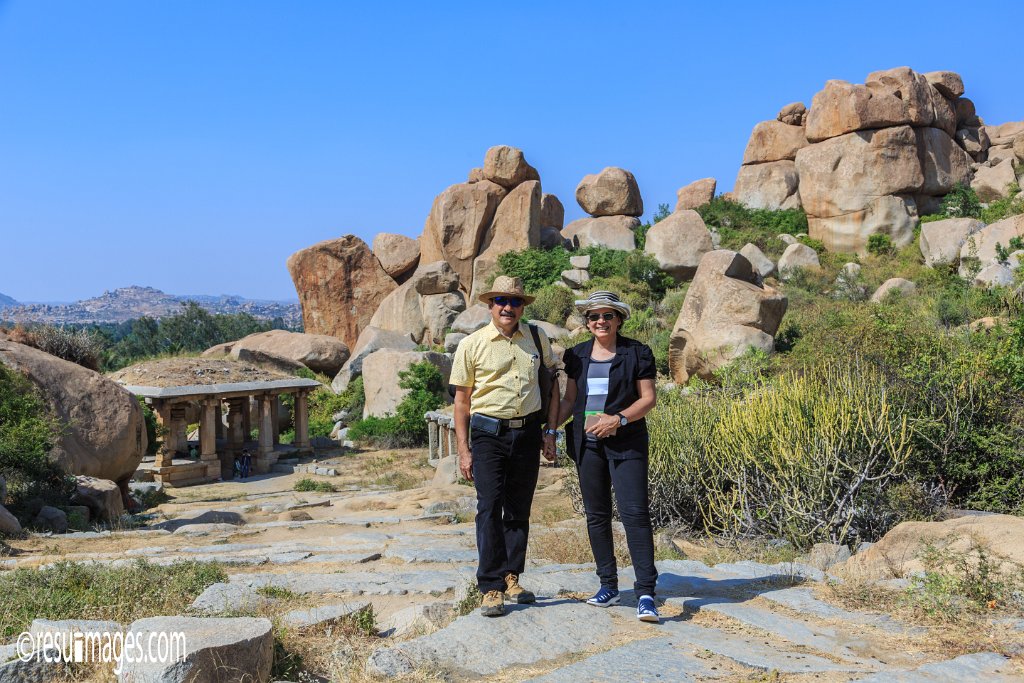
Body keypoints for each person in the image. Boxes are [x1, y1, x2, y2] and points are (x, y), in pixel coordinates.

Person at [450, 275, 561, 617]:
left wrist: (551, 431)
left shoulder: (537, 338)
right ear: (490, 305)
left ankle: (513, 576)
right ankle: (490, 586)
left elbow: (553, 384)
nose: (507, 307)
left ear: (523, 307)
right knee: (489, 508)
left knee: (519, 508)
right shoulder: (472, 344)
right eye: (501, 301)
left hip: (527, 433)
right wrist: (464, 449)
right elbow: (461, 402)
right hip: (488, 435)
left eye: (514, 302)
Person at [558, 290, 660, 623]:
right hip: (587, 444)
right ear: (586, 322)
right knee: (596, 515)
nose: (600, 321)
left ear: (619, 319)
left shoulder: (637, 352)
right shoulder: (576, 356)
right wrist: (547, 431)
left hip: (627, 441)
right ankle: (608, 586)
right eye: (593, 317)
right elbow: (570, 401)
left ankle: (645, 591)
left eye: (607, 316)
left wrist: (619, 419)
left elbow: (648, 399)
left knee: (634, 513)